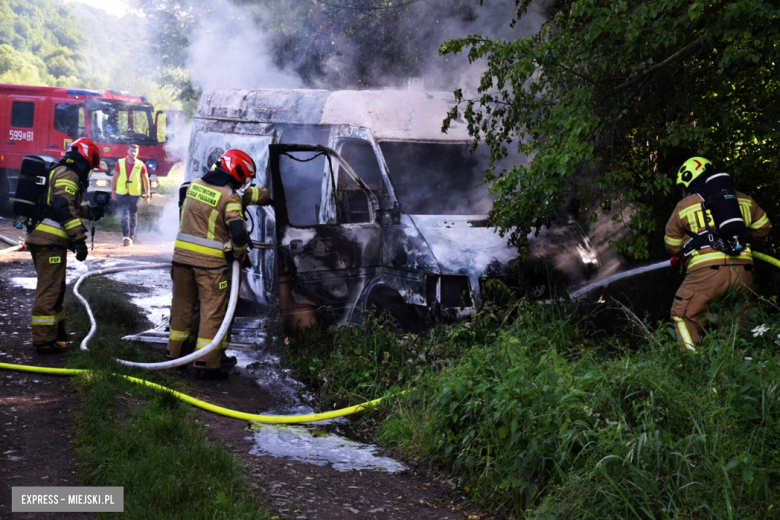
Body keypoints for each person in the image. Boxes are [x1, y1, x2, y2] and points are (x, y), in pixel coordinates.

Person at [166, 149, 259, 380]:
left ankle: (176, 355)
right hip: (210, 267)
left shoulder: (195, 185)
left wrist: (262, 195)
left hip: (180, 260)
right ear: (235, 172)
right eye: (243, 178)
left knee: (182, 308)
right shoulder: (230, 196)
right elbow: (238, 231)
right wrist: (240, 253)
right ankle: (206, 363)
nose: (242, 183)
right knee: (212, 312)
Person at [664, 157, 772, 350]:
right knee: (736, 320)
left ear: (690, 180)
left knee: (683, 316)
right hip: (743, 271)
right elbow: (764, 227)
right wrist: (741, 239)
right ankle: (740, 365)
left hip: (706, 272)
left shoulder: (685, 205)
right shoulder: (743, 200)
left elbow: (672, 245)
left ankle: (692, 367)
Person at [26, 138, 102, 354]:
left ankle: (56, 335)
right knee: (49, 290)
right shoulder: (68, 173)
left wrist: (90, 211)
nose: (88, 169)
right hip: (49, 242)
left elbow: (64, 204)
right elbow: (62, 206)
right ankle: (44, 340)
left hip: (47, 241)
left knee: (56, 289)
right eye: (90, 164)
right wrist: (79, 239)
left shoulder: (61, 170)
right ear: (87, 156)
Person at [111, 143, 150, 246]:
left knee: (133, 215)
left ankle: (131, 237)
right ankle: (125, 236)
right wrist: (113, 191)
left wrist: (148, 194)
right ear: (127, 151)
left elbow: (146, 180)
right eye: (131, 151)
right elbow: (115, 178)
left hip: (135, 193)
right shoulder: (120, 163)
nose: (133, 153)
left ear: (137, 153)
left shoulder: (141, 165)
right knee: (124, 214)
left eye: (135, 151)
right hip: (122, 192)